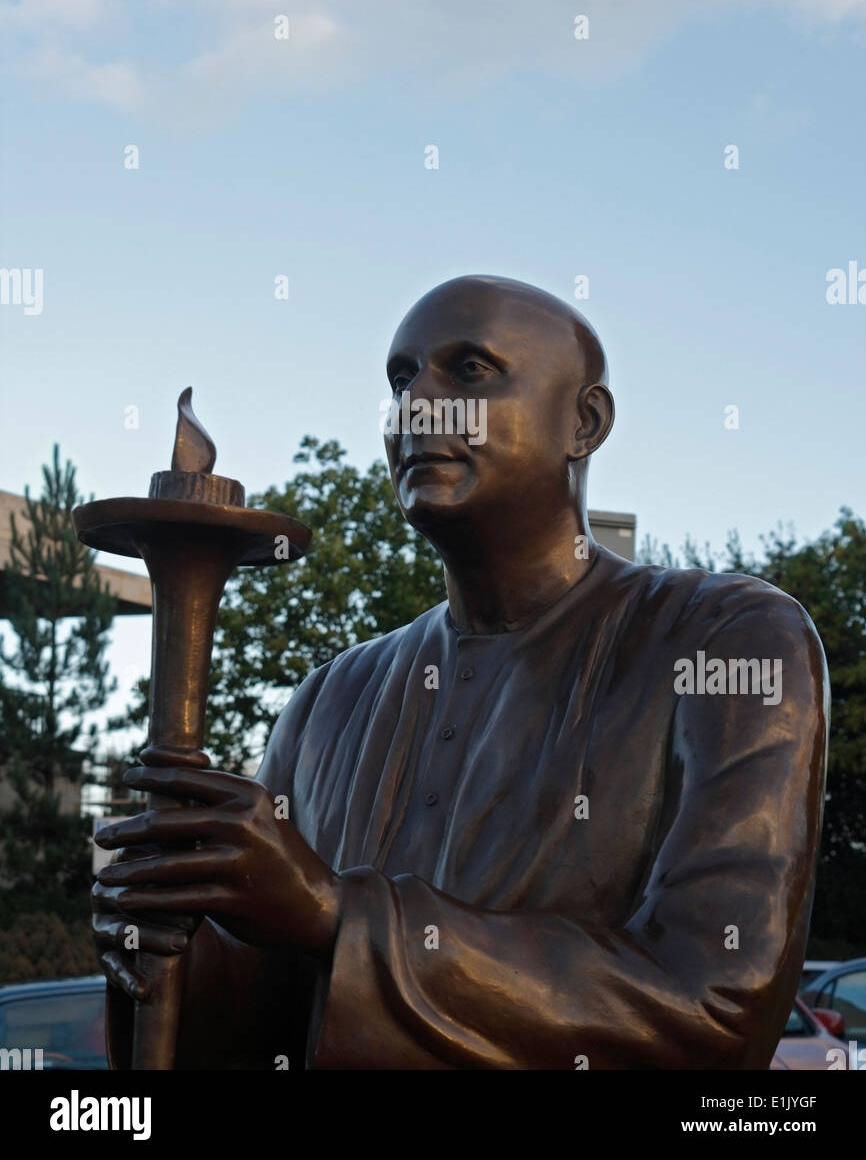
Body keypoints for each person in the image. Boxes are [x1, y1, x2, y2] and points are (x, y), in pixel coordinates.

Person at [93, 275, 828, 1069]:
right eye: (401, 379)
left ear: (584, 421)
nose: (418, 406)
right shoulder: (329, 700)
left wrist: (334, 915)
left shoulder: (727, 640)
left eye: (469, 370)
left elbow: (718, 1010)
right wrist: (181, 932)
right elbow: (261, 1031)